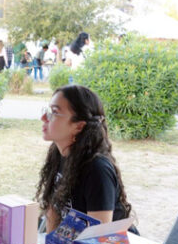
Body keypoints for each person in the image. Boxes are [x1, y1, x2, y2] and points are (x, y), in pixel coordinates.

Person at [36, 85, 133, 231]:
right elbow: (53, 210)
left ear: (79, 126)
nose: (43, 117)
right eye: (48, 111)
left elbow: (98, 236)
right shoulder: (58, 154)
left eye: (54, 112)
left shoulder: (97, 170)